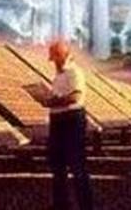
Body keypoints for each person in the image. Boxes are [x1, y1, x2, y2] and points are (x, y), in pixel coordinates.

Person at [36, 39, 94, 210]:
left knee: (77, 165)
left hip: (72, 120)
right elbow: (60, 98)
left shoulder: (75, 72)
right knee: (57, 165)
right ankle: (61, 204)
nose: (53, 61)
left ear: (64, 55)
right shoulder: (58, 77)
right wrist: (47, 100)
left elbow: (75, 97)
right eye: (52, 57)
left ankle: (86, 206)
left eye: (55, 57)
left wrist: (53, 102)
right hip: (57, 120)